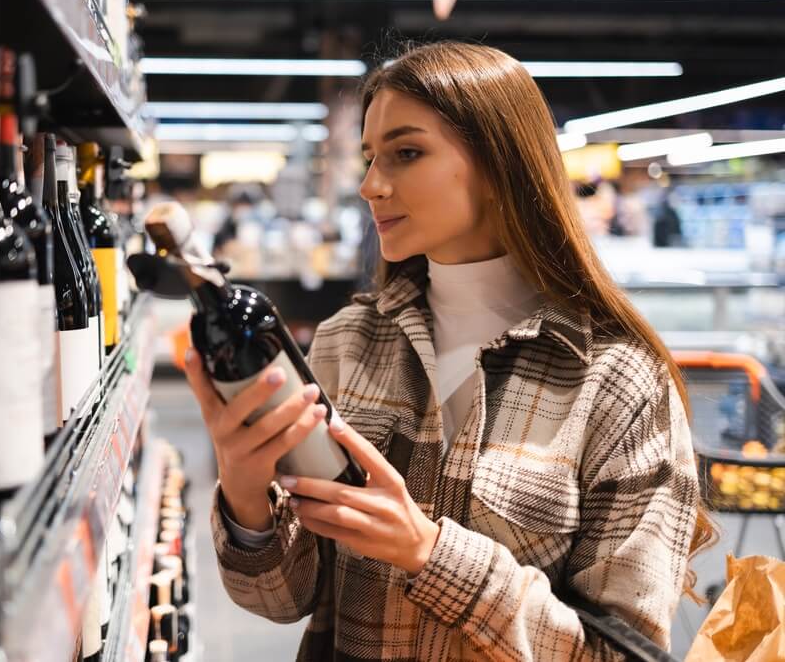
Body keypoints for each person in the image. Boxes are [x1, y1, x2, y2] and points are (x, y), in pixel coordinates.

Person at [182, 41, 715, 661]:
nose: (370, 186)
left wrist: (430, 555)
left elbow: (625, 653)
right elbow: (284, 599)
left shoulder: (617, 382)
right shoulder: (347, 343)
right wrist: (245, 491)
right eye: (369, 158)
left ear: (499, 166)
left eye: (406, 153)